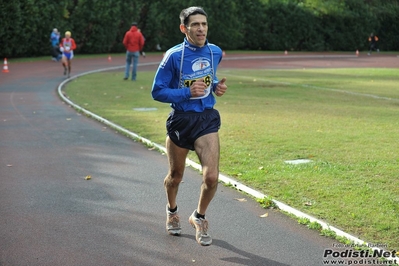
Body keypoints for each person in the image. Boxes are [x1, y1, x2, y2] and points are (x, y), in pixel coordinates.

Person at [151, 6, 227, 246]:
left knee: (212, 177)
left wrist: (215, 86)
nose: (201, 29)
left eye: (204, 24)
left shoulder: (215, 52)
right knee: (175, 176)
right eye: (195, 24)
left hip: (206, 118)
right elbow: (157, 91)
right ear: (184, 28)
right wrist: (186, 92)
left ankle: (199, 216)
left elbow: (209, 76)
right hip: (181, 120)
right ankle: (172, 211)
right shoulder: (173, 56)